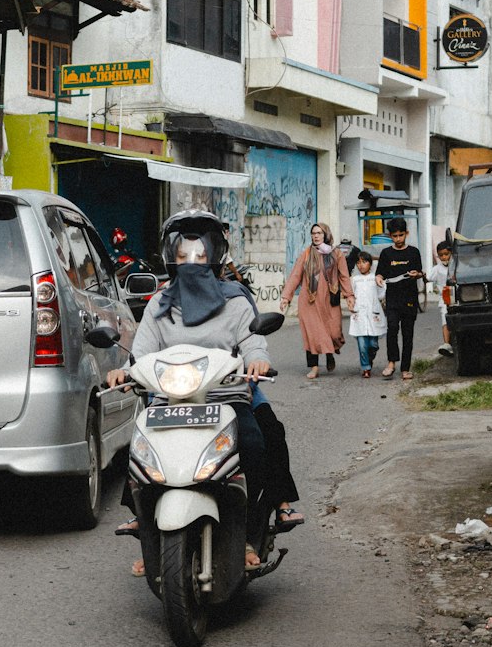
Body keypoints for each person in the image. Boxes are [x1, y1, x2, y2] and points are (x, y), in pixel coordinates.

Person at [107, 210, 302, 574]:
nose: (191, 262)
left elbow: (254, 342)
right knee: (140, 454)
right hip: (169, 400)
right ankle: (152, 540)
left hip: (225, 398)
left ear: (214, 256)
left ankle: (248, 533)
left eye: (199, 254)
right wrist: (125, 370)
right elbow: (142, 352)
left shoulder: (236, 301)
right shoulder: (159, 305)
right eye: (183, 255)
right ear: (171, 257)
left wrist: (257, 361)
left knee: (257, 446)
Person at [280, 223, 354, 377]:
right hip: (309, 301)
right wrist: (286, 297)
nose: (316, 236)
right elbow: (295, 276)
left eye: (319, 233)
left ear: (326, 234)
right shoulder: (306, 254)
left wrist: (349, 296)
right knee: (312, 334)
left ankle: (329, 353)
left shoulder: (336, 254)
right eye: (313, 233)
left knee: (334, 333)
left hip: (330, 300)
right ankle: (313, 367)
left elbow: (344, 276)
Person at [374, 217, 424, 380]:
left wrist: (418, 274)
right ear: (390, 236)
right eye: (395, 236)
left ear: (406, 234)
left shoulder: (414, 252)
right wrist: (379, 278)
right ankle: (391, 363)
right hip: (393, 299)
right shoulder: (386, 253)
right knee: (392, 329)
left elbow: (420, 272)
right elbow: (380, 273)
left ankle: (405, 368)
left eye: (401, 235)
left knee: (408, 334)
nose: (398, 239)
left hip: (410, 299)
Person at [348, 250, 387, 377]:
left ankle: (370, 357)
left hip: (373, 313)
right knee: (362, 343)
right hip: (359, 314)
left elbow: (381, 294)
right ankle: (366, 367)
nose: (361, 265)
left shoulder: (375, 278)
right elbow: (350, 295)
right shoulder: (355, 280)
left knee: (373, 344)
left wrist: (380, 283)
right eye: (358, 263)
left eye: (364, 262)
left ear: (370, 264)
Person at [429, 241, 454, 356]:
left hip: (458, 295)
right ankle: (447, 344)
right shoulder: (437, 269)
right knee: (445, 319)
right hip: (445, 296)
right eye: (441, 255)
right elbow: (428, 277)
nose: (444, 257)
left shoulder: (456, 265)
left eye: (446, 254)